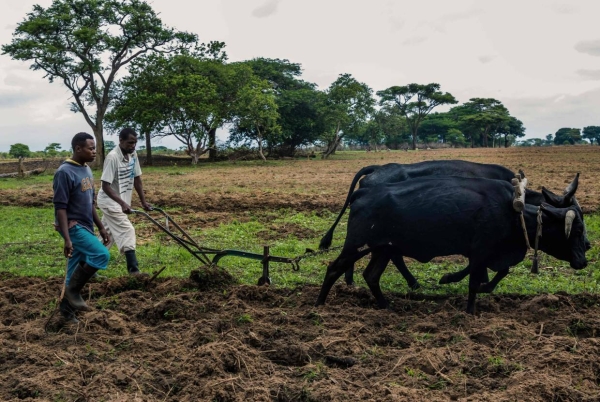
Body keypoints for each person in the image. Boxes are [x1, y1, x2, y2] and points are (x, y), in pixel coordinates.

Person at [53, 132, 110, 323]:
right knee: (101, 254)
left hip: (86, 225)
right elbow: (60, 207)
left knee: (75, 267)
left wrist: (101, 227)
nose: (94, 151)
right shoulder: (64, 172)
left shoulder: (86, 169)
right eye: (91, 148)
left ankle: (66, 314)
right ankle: (73, 291)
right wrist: (67, 238)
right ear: (78, 149)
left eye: (95, 148)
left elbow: (90, 203)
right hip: (73, 226)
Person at [97, 127, 152, 276]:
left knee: (108, 235)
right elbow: (105, 186)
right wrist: (122, 203)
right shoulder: (112, 157)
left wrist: (143, 201)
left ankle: (87, 266)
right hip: (109, 201)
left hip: (120, 201)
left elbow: (137, 178)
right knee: (127, 230)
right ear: (120, 140)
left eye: (134, 143)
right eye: (129, 143)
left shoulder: (133, 154)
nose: (132, 146)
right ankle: (133, 270)